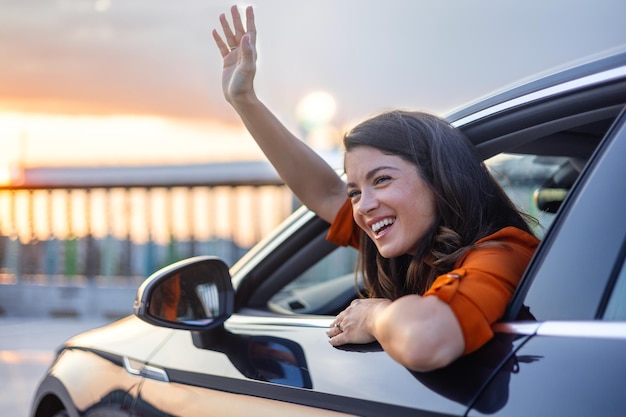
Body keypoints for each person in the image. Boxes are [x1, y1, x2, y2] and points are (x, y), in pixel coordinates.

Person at [212, 6, 539, 372]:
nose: (363, 206)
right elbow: (325, 194)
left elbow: (427, 339)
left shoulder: (501, 254)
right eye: (355, 191)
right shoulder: (409, 243)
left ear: (440, 180)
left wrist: (373, 316)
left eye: (381, 179)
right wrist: (244, 100)